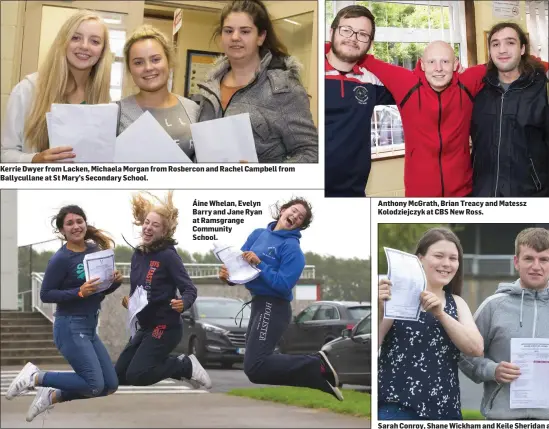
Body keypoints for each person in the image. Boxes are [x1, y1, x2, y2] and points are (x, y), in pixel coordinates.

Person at [5, 205, 123, 422]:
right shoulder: (61, 259)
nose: (76, 226)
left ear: (85, 223)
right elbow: (46, 294)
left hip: (88, 327)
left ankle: (52, 396)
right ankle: (36, 377)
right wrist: (78, 292)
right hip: (70, 326)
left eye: (79, 221)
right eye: (70, 223)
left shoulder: (94, 251)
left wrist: (114, 283)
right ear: (62, 231)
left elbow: (99, 291)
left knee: (109, 385)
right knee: (94, 384)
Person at [218, 198, 343, 400]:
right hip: (259, 304)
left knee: (256, 365)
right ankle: (316, 377)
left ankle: (314, 363)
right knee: (253, 370)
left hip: (274, 306)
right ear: (283, 210)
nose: (294, 216)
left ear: (301, 225)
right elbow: (240, 269)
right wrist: (228, 277)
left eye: (300, 217)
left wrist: (261, 264)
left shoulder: (292, 249)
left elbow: (284, 284)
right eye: (293, 211)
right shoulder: (257, 235)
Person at [378, 228, 484, 420]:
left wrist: (441, 314)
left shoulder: (457, 304)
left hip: (445, 410)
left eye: (453, 258)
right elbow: (374, 343)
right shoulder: (397, 297)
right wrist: (379, 309)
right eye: (439, 256)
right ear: (419, 259)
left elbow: (476, 348)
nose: (446, 264)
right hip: (397, 409)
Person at [361, 41, 488, 197]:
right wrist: (325, 47)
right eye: (431, 62)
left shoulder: (468, 81)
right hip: (420, 195)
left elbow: (505, 60)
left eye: (445, 61)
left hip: (463, 193)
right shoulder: (405, 82)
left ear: (455, 64)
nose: (439, 68)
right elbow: (363, 59)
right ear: (422, 64)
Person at [197, 0, 318, 163]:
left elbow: (311, 152)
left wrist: (263, 177)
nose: (235, 37)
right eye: (228, 31)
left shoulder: (283, 89)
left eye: (245, 31)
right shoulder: (209, 88)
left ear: (261, 37)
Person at [115, 191, 211, 391]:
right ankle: (178, 368)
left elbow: (189, 289)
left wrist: (183, 302)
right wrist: (131, 303)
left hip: (165, 327)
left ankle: (185, 365)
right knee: (120, 375)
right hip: (145, 326)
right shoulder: (138, 255)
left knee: (138, 374)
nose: (148, 227)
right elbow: (140, 291)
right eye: (147, 222)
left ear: (164, 231)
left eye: (155, 225)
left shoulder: (168, 256)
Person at [459, 228, 549, 420]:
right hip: (502, 419)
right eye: (528, 258)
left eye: (543, 259)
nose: (536, 266)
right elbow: (464, 354)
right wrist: (493, 370)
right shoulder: (493, 306)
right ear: (516, 262)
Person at [1, 10, 112, 163]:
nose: (85, 46)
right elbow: (5, 154)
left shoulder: (103, 99)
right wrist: (35, 160)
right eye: (76, 38)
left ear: (102, 51)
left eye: (95, 41)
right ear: (63, 42)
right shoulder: (28, 90)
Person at [470, 22, 549, 197]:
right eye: (495, 44)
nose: (502, 50)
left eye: (510, 42)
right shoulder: (477, 88)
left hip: (531, 197)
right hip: (483, 196)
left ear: (522, 48)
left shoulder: (542, 88)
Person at [325, 5, 395, 198]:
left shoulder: (372, 81)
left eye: (362, 34)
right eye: (346, 30)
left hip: (352, 193)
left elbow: (415, 86)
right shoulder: (309, 74)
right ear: (332, 32)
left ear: (370, 44)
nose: (353, 38)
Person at [117, 25, 199, 161]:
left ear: (168, 61)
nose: (148, 68)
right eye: (138, 62)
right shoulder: (118, 113)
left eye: (155, 59)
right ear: (130, 69)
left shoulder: (193, 109)